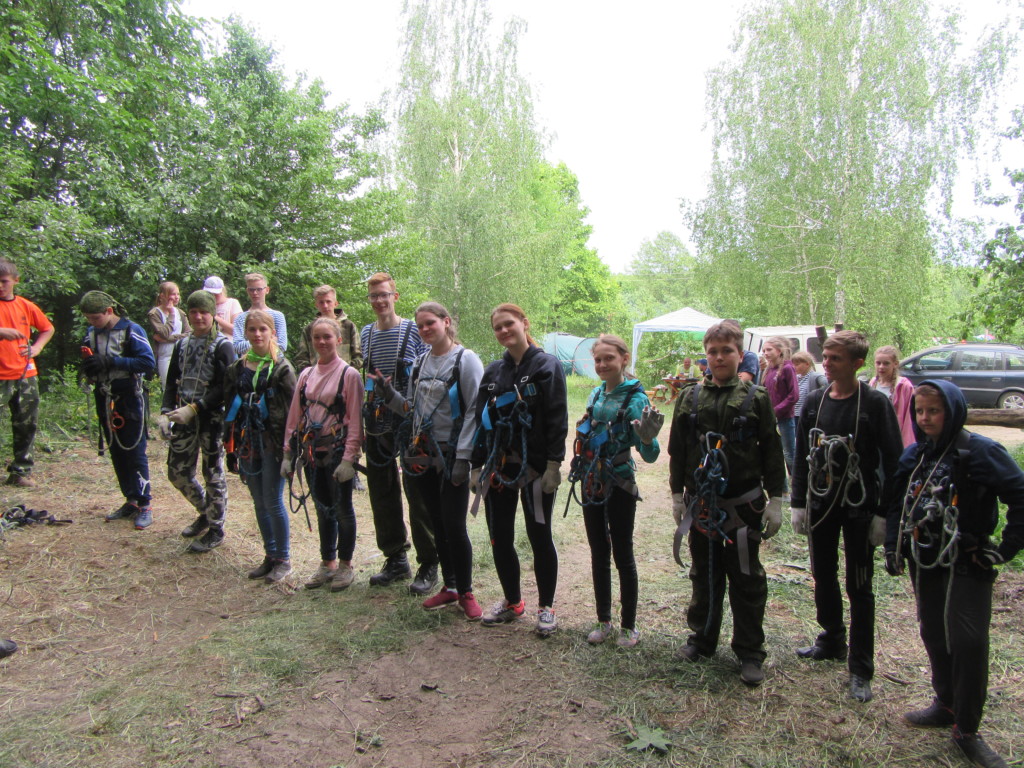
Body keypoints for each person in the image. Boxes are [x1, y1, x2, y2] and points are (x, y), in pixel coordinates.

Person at [884, 380, 1024, 768]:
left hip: (967, 560)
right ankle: (945, 703)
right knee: (933, 631)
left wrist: (1007, 547)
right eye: (919, 411)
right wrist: (893, 545)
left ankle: (967, 728)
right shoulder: (915, 455)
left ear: (954, 411)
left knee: (968, 641)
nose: (925, 418)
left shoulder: (981, 452)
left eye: (934, 411)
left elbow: (1020, 494)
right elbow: (897, 502)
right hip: (925, 560)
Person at [668, 320, 785, 685]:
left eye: (726, 351)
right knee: (704, 573)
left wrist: (777, 498)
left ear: (740, 354)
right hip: (702, 505)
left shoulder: (757, 398)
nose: (719, 358)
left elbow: (772, 449)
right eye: (713, 352)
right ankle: (702, 639)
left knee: (746, 577)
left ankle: (750, 651)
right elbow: (678, 449)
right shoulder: (690, 397)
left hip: (743, 506)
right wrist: (676, 494)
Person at [790, 330, 903, 703]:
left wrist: (884, 514)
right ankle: (832, 639)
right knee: (822, 573)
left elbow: (894, 461)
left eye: (835, 358)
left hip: (859, 505)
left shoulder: (874, 404)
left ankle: (861, 667)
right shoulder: (815, 403)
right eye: (826, 356)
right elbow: (803, 455)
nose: (827, 363)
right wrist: (799, 502)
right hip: (822, 505)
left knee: (859, 585)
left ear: (857, 363)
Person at [372, 302, 484, 619]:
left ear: (446, 322)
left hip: (452, 455)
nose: (424, 330)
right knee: (437, 523)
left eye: (430, 323)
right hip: (424, 455)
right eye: (420, 325)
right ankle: (450, 586)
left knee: (454, 525)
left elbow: (475, 410)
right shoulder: (420, 362)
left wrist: (464, 457)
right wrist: (390, 396)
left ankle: (466, 592)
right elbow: (413, 410)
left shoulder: (465, 360)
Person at [473, 304, 568, 637]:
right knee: (500, 537)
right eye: (497, 327)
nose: (503, 331)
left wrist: (554, 464)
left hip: (536, 468)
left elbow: (557, 416)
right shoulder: (493, 372)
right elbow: (480, 421)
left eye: (508, 324)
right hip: (499, 466)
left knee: (539, 536)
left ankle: (546, 608)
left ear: (524, 323)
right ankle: (513, 602)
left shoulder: (546, 366)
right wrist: (476, 464)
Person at [570, 335, 662, 648]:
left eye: (609, 358)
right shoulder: (596, 394)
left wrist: (647, 439)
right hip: (592, 480)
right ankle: (603, 619)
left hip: (620, 483)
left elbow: (650, 454)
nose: (602, 364)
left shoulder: (636, 399)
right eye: (598, 359)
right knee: (598, 551)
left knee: (623, 553)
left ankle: (629, 625)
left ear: (624, 359)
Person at [360, 273, 434, 592]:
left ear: (395, 296)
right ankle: (395, 558)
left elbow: (426, 371)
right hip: (377, 423)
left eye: (384, 294)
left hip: (409, 422)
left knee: (417, 491)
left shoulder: (413, 330)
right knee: (381, 491)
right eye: (373, 296)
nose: (379, 301)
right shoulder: (366, 333)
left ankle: (429, 562)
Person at [283, 317, 363, 591]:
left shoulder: (349, 375)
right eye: (317, 337)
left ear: (339, 340)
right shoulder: (306, 375)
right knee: (322, 508)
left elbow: (355, 420)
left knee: (342, 509)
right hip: (311, 452)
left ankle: (345, 565)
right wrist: (288, 453)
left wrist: (349, 459)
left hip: (337, 451)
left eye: (327, 337)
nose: (321, 342)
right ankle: (327, 562)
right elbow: (295, 416)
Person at [159, 290, 236, 553]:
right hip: (183, 416)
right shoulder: (182, 344)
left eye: (204, 312)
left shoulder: (223, 345)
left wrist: (196, 407)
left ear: (213, 314)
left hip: (212, 418)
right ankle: (205, 511)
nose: (199, 317)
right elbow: (172, 380)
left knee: (213, 473)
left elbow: (226, 386)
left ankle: (216, 528)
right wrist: (165, 412)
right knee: (177, 472)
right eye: (194, 312)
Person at [223, 310, 297, 584]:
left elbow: (294, 411)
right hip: (247, 440)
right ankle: (271, 554)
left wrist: (291, 450)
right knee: (258, 499)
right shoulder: (237, 368)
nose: (257, 334)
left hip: (273, 443)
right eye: (252, 329)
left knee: (272, 499)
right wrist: (229, 444)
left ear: (272, 333)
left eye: (262, 329)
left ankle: (283, 559)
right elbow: (229, 404)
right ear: (245, 333)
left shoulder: (282, 368)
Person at [80, 291, 157, 529]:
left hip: (130, 397)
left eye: (95, 318)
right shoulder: (91, 333)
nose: (92, 322)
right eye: (88, 318)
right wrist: (89, 370)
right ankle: (130, 500)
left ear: (109, 311)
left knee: (134, 450)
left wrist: (112, 361)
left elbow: (148, 362)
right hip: (104, 396)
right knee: (116, 450)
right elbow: (88, 361)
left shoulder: (132, 330)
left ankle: (145, 504)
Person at [0, 258, 54, 487]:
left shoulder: (25, 305)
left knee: (26, 424)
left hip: (25, 374)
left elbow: (47, 328)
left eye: (4, 281)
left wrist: (38, 347)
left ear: (16, 280)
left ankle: (20, 471)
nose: (0, 286)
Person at [293, 285, 362, 373]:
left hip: (344, 376)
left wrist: (346, 372)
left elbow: (358, 356)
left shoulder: (348, 326)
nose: (325, 306)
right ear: (316, 305)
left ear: (336, 303)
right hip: (317, 377)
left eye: (328, 301)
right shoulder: (309, 329)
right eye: (321, 302)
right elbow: (301, 358)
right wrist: (312, 374)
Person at [762, 336, 799, 477]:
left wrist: (776, 411)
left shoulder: (788, 368)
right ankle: (782, 484)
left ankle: (797, 481)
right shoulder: (769, 370)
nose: (765, 353)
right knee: (776, 453)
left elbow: (794, 395)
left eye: (769, 350)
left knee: (789, 453)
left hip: (785, 418)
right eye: (764, 350)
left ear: (779, 351)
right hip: (771, 419)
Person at [869, 345, 915, 448]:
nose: (881, 367)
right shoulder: (873, 383)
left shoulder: (904, 386)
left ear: (895, 364)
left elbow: (909, 419)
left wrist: (905, 447)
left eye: (886, 363)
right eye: (878, 363)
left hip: (894, 439)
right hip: (875, 439)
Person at [232, 273, 288, 356]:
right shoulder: (240, 318)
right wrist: (269, 340)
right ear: (247, 291)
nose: (255, 293)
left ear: (267, 290)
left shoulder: (278, 316)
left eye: (259, 289)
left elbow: (282, 346)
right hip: (249, 362)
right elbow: (237, 347)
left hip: (274, 361)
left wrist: (252, 341)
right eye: (251, 290)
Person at [147, 282, 190, 386]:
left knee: (184, 385)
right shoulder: (154, 313)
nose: (177, 297)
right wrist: (171, 314)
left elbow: (189, 333)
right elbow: (164, 333)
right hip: (165, 356)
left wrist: (168, 339)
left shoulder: (181, 313)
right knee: (168, 386)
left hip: (182, 353)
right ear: (162, 296)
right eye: (173, 294)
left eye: (178, 294)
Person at [792, 351, 826, 418]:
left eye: (797, 365)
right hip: (794, 414)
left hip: (807, 415)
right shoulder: (796, 378)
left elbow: (827, 384)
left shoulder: (815, 376)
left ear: (807, 364)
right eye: (793, 365)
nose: (794, 367)